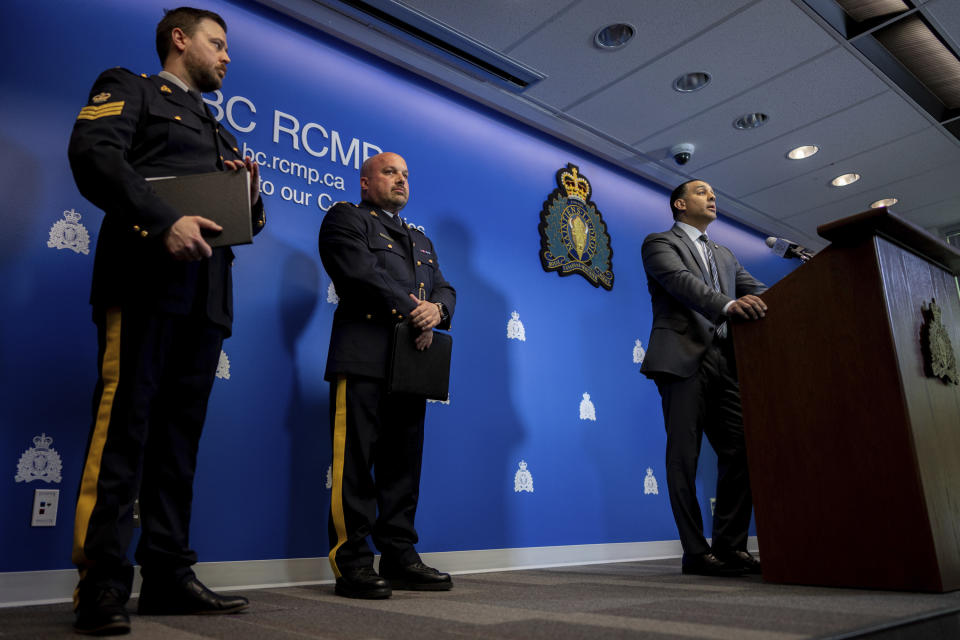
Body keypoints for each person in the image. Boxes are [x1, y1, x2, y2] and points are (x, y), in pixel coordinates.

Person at [67, 7, 265, 635]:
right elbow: (95, 154)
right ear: (180, 41)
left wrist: (249, 194)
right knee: (125, 428)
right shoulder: (129, 87)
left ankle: (168, 575)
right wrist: (162, 220)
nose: (227, 57)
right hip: (144, 283)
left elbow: (246, 225)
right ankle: (101, 580)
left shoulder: (221, 130)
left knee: (179, 446)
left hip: (205, 301)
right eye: (218, 44)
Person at [318, 152, 456, 599]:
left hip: (411, 366)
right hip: (362, 357)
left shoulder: (420, 240)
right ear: (364, 182)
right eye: (390, 172)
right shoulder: (346, 218)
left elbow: (445, 287)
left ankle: (399, 556)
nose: (400, 180)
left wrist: (439, 310)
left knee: (402, 468)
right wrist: (417, 310)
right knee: (355, 465)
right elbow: (360, 273)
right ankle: (352, 561)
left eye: (405, 175)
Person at [640, 179, 767, 577]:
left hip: (725, 362)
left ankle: (730, 547)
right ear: (680, 204)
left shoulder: (725, 255)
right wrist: (728, 304)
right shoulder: (659, 243)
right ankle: (695, 552)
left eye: (714, 192)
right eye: (701, 192)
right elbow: (683, 284)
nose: (712, 196)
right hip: (680, 359)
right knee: (685, 459)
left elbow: (760, 293)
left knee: (742, 451)